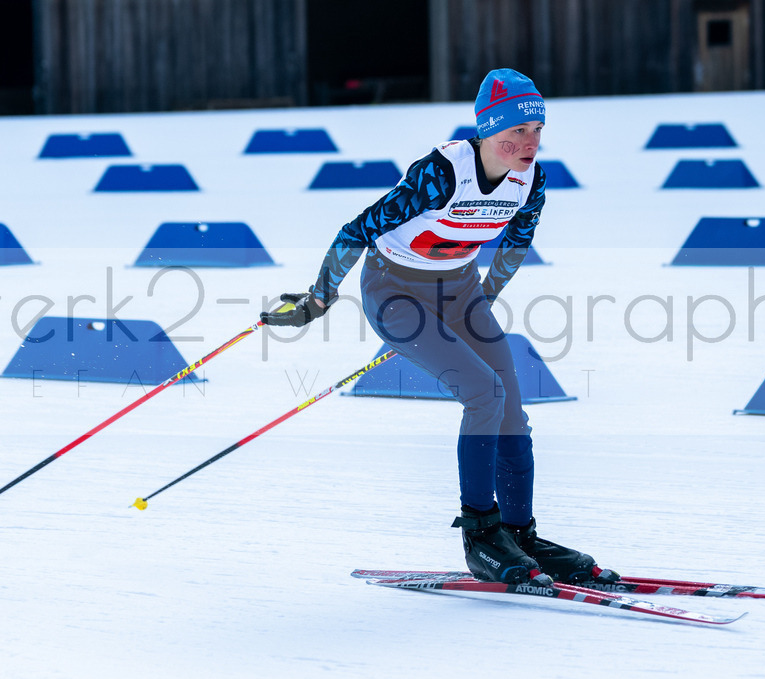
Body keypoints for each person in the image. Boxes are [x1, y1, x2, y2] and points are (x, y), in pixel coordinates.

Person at [261, 68, 619, 586]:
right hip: (394, 293)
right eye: (516, 131)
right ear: (488, 129)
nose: (529, 142)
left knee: (511, 406)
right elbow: (356, 230)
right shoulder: (442, 173)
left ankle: (518, 536)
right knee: (482, 392)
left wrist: (482, 299)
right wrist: (318, 300)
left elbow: (518, 241)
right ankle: (480, 536)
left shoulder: (531, 179)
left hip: (460, 292)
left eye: (537, 129)